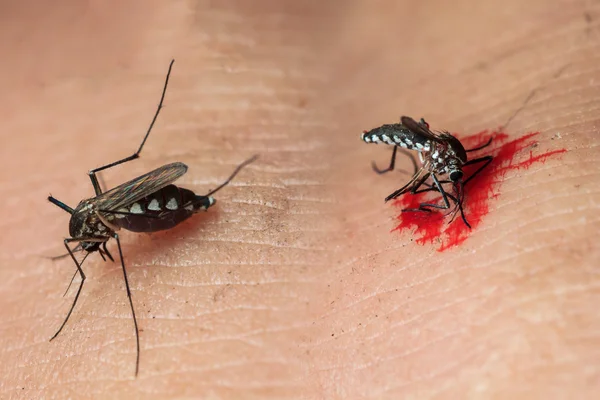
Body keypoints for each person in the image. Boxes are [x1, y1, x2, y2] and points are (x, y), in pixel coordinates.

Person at [0, 1, 596, 398]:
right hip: (139, 207)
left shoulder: (101, 216)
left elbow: (99, 222)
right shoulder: (89, 222)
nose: (84, 247)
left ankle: (192, 188)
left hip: (146, 202)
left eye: (83, 239)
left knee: (124, 220)